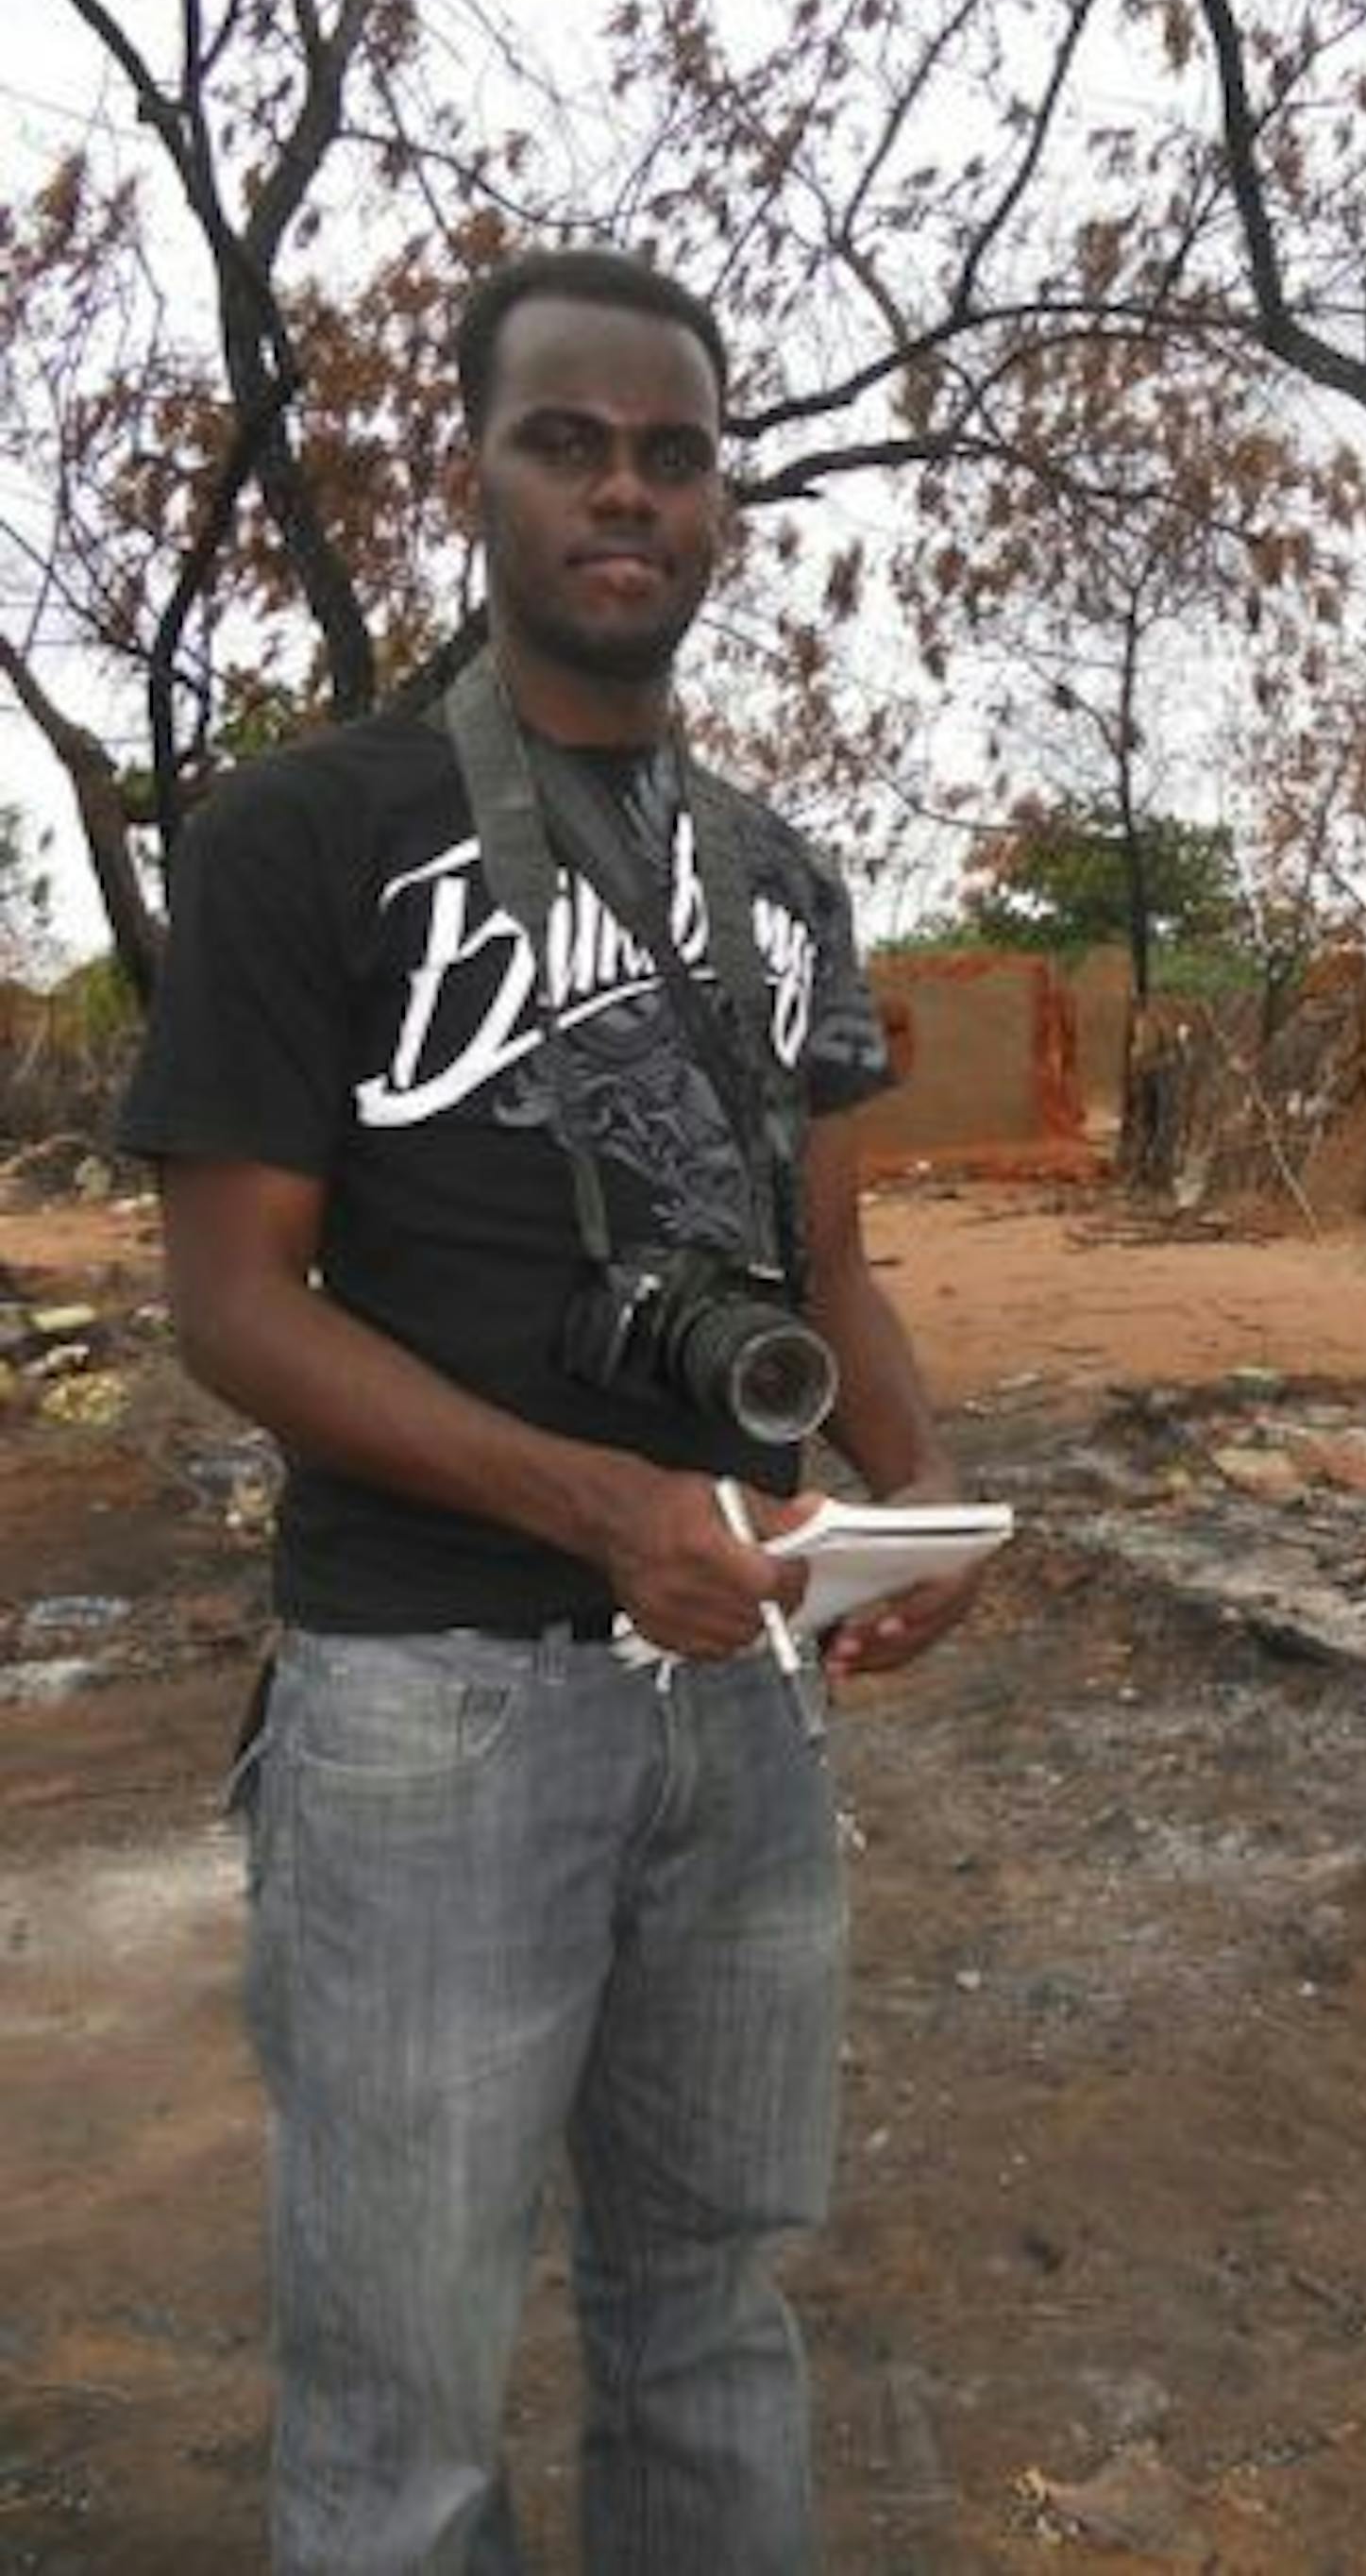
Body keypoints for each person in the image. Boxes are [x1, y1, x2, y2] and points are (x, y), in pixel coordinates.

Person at [119, 246, 983, 2572]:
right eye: (570, 442)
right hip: (430, 1708)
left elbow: (832, 1271)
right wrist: (598, 1506)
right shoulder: (305, 837)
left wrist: (921, 1506)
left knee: (715, 2319)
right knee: (401, 2409)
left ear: (723, 508)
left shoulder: (783, 879)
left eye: (676, 454)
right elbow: (231, 1302)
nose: (629, 489)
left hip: (744, 1700)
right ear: (473, 477)